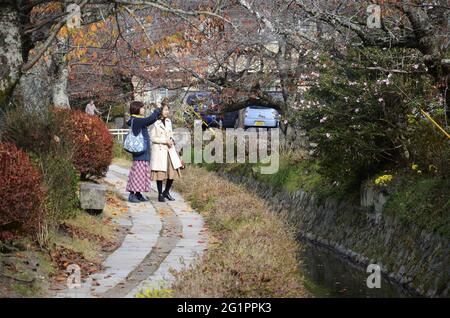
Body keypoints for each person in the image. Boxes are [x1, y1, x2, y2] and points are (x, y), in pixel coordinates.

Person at [126, 101, 161, 203]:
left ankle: (138, 194)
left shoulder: (137, 120)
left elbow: (150, 120)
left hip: (143, 151)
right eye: (142, 108)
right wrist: (157, 110)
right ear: (136, 109)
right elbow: (150, 119)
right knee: (137, 173)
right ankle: (132, 194)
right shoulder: (136, 120)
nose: (143, 109)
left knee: (142, 174)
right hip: (140, 152)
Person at [150, 99, 183, 202]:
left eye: (168, 110)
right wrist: (165, 141)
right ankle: (160, 194)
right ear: (160, 111)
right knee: (160, 173)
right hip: (160, 150)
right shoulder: (155, 123)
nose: (167, 112)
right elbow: (152, 138)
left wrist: (172, 140)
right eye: (165, 110)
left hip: (170, 150)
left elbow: (170, 134)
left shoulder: (169, 121)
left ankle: (166, 192)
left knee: (172, 172)